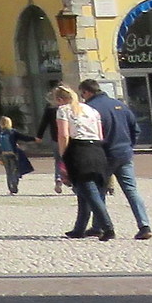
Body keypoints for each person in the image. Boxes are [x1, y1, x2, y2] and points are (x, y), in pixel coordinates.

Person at [79, 78, 152, 241]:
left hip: (103, 155)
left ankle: (100, 226)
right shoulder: (120, 105)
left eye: (82, 94)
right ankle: (144, 225)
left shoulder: (89, 109)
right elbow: (135, 129)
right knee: (131, 190)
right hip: (124, 153)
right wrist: (129, 145)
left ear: (87, 92)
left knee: (99, 191)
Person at [51, 82, 115, 241]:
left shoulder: (63, 110)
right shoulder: (91, 110)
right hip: (97, 149)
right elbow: (100, 134)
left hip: (78, 149)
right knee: (83, 191)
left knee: (89, 190)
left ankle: (107, 227)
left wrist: (63, 155)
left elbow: (63, 135)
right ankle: (79, 228)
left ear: (60, 99)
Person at [0, 114, 34, 195]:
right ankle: (14, 186)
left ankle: (11, 188)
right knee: (15, 170)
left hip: (3, 154)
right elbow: (24, 137)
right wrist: (34, 139)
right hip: (13, 153)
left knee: (8, 172)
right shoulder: (12, 132)